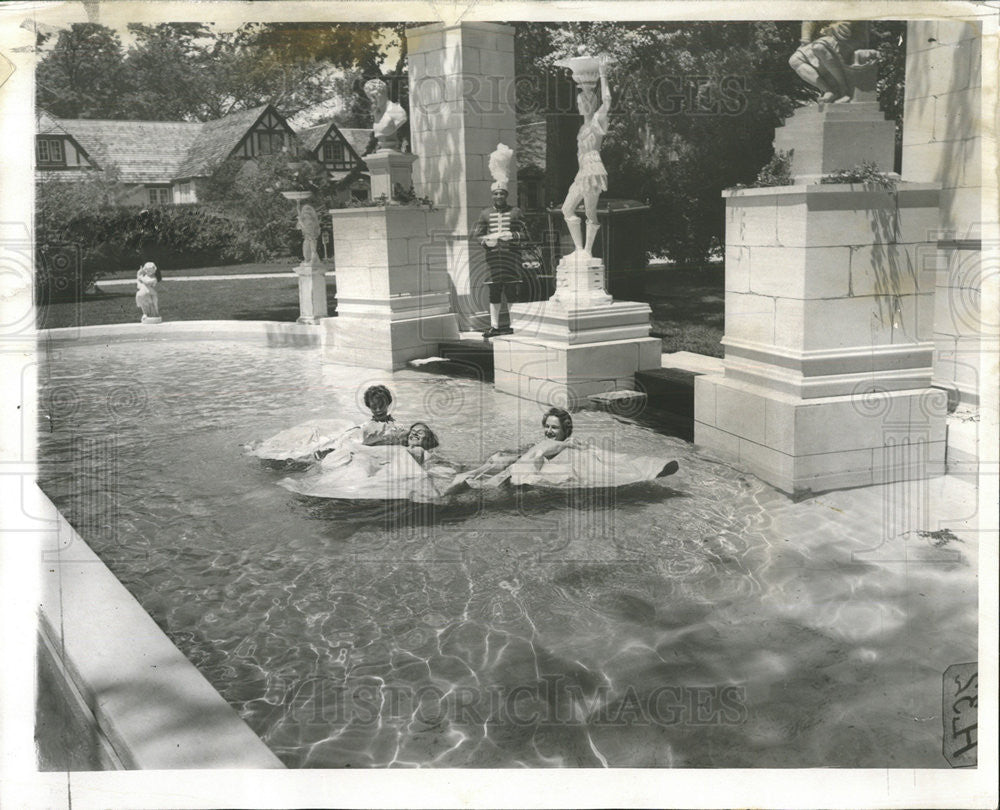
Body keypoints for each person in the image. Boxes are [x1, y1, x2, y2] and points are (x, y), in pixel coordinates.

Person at [456, 407, 679, 490]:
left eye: (555, 427)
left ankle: (649, 467)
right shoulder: (546, 442)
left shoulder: (566, 444)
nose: (550, 431)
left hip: (516, 472)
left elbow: (600, 456)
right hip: (509, 466)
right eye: (547, 427)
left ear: (565, 429)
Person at [278, 420, 462, 502]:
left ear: (428, 440)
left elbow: (449, 466)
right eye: (413, 431)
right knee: (358, 464)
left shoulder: (425, 453)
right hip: (383, 461)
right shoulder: (396, 447)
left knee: (362, 469)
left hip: (400, 466)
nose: (414, 433)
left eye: (420, 432)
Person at [247, 384, 408, 465]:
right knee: (313, 450)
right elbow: (359, 436)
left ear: (388, 403)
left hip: (360, 444)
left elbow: (394, 436)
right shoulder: (368, 424)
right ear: (369, 407)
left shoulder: (395, 424)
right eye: (374, 406)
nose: (379, 409)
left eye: (382, 405)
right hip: (352, 441)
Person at [471, 143, 529, 339]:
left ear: (506, 195)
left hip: (512, 257)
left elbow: (527, 233)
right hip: (493, 259)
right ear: (492, 195)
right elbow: (477, 235)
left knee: (512, 290)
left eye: (502, 194)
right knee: (494, 291)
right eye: (495, 194)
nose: (498, 196)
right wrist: (486, 241)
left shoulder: (516, 212)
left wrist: (513, 236)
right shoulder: (485, 213)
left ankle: (514, 325)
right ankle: (495, 326)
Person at [560, 60, 611, 257]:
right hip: (582, 171)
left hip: (592, 169)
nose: (580, 104)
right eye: (580, 101)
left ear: (591, 103)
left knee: (589, 212)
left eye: (583, 101)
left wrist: (603, 75)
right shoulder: (583, 127)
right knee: (567, 209)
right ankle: (581, 250)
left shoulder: (598, 120)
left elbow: (607, 101)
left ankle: (586, 251)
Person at [789, 21, 871, 103]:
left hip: (851, 39)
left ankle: (844, 90)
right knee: (795, 60)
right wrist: (805, 39)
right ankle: (828, 90)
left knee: (819, 47)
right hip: (827, 38)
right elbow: (810, 19)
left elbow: (850, 22)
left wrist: (832, 29)